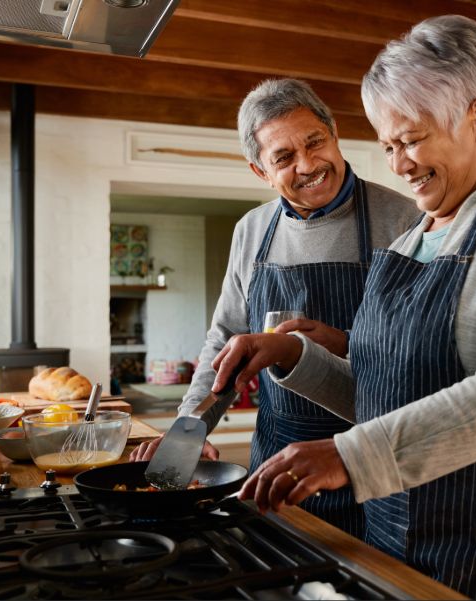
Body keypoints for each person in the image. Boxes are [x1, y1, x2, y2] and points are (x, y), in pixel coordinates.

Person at [210, 15, 476, 600]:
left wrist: (352, 454)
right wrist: (296, 355)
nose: (398, 165)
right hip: (393, 529)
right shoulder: (411, 239)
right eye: (388, 145)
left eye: (412, 139)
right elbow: (382, 392)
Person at [129, 78, 421, 538]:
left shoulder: (406, 220)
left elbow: (420, 357)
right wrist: (190, 428)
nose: (307, 165)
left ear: (334, 133)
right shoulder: (251, 231)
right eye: (283, 158)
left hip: (371, 459)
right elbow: (225, 339)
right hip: (276, 460)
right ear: (259, 171)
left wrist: (345, 345)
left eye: (315, 142)